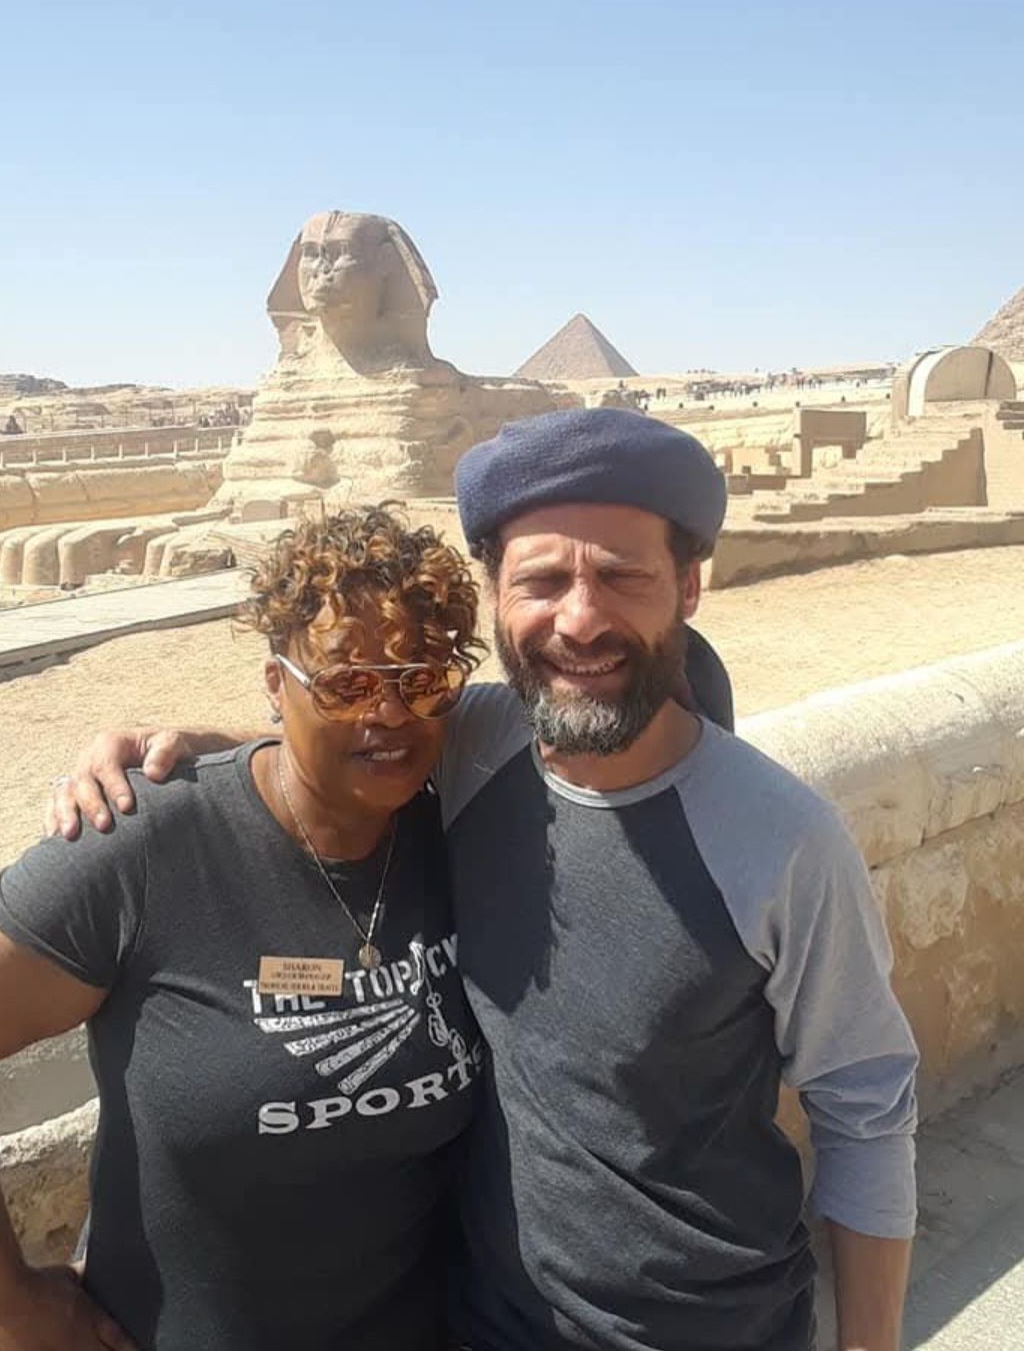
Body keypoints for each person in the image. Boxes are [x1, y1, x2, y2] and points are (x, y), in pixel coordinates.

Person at [45, 409, 918, 1350]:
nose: (579, 619)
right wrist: (174, 747)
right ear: (496, 594)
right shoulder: (479, 744)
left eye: (622, 576)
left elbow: (866, 1113)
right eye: (541, 581)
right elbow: (350, 730)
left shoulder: (785, 841)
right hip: (484, 1323)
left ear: (690, 587)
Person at [0, 506, 488, 1351]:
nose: (388, 711)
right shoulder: (145, 845)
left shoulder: (456, 827)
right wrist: (3, 1298)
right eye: (346, 683)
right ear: (276, 683)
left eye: (421, 679)